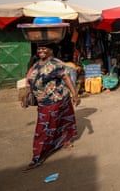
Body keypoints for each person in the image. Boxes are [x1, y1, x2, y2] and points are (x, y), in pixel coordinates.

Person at [21, 42, 80, 171]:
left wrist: (75, 94)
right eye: (39, 48)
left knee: (44, 129)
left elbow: (67, 79)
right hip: (43, 102)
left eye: (44, 48)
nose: (41, 51)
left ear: (51, 51)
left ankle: (38, 157)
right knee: (57, 122)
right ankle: (62, 142)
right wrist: (26, 97)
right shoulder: (36, 64)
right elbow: (30, 81)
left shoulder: (56, 64)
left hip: (56, 99)